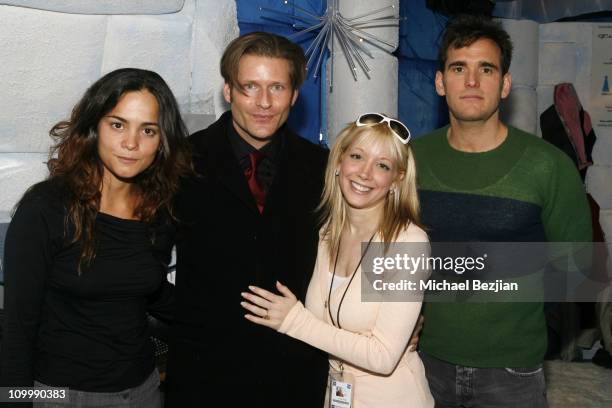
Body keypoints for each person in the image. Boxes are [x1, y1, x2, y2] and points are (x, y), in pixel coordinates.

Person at [412, 15, 592, 407]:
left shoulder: (548, 165)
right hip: (421, 365)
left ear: (505, 84)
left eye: (486, 69)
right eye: (459, 68)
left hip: (512, 374)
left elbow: (578, 268)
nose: (472, 81)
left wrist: (515, 321)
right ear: (441, 82)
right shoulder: (410, 160)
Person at [0, 68, 191, 407]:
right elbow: (16, 329)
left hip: (143, 390)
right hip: (61, 395)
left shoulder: (159, 210)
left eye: (148, 130)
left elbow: (149, 289)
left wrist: (225, 313)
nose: (131, 143)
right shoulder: (46, 208)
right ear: (94, 128)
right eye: (118, 125)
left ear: (163, 140)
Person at [164, 32, 329, 407]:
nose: (264, 103)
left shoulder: (323, 167)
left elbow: (362, 242)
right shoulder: (182, 162)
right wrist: (191, 315)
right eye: (250, 87)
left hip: (296, 375)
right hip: (203, 376)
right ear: (228, 91)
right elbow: (143, 255)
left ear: (295, 95)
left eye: (277, 88)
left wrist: (397, 317)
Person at [241, 113, 435, 408]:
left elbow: (382, 356)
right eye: (357, 156)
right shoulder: (326, 233)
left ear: (397, 179)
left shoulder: (404, 243)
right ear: (339, 162)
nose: (365, 173)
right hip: (336, 395)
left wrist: (294, 320)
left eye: (382, 165)